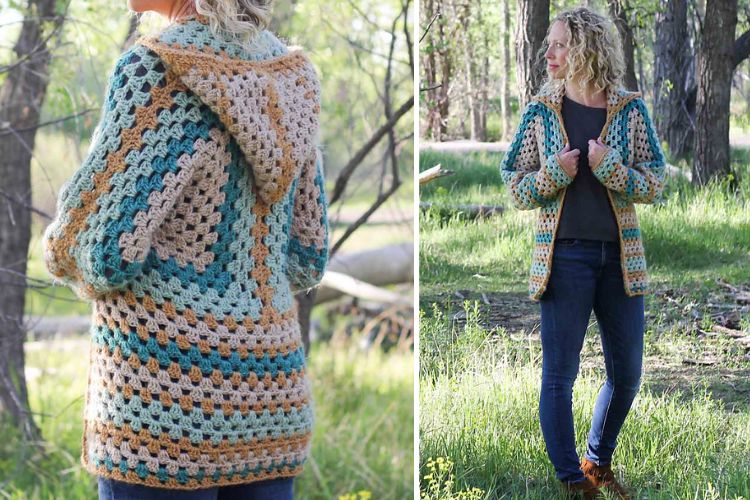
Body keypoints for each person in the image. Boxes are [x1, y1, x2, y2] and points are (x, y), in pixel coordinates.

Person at [41, 0, 329, 498]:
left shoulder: (157, 69)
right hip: (269, 403)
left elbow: (101, 246)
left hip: (164, 412)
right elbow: (308, 254)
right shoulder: (293, 76)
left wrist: (59, 246)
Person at [499, 7, 666, 499]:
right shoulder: (540, 111)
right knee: (559, 377)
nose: (547, 53)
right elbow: (514, 183)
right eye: (548, 44)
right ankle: (573, 481)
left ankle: (596, 459)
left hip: (621, 262)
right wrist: (555, 172)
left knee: (628, 373)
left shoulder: (630, 110)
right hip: (564, 259)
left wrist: (609, 165)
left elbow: (653, 181)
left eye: (558, 45)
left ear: (586, 51)